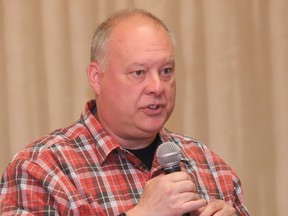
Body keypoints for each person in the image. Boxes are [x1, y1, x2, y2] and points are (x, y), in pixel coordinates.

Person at [0, 8, 249, 216]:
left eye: (166, 71)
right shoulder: (41, 168)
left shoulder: (210, 166)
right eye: (138, 72)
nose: (157, 87)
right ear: (97, 78)